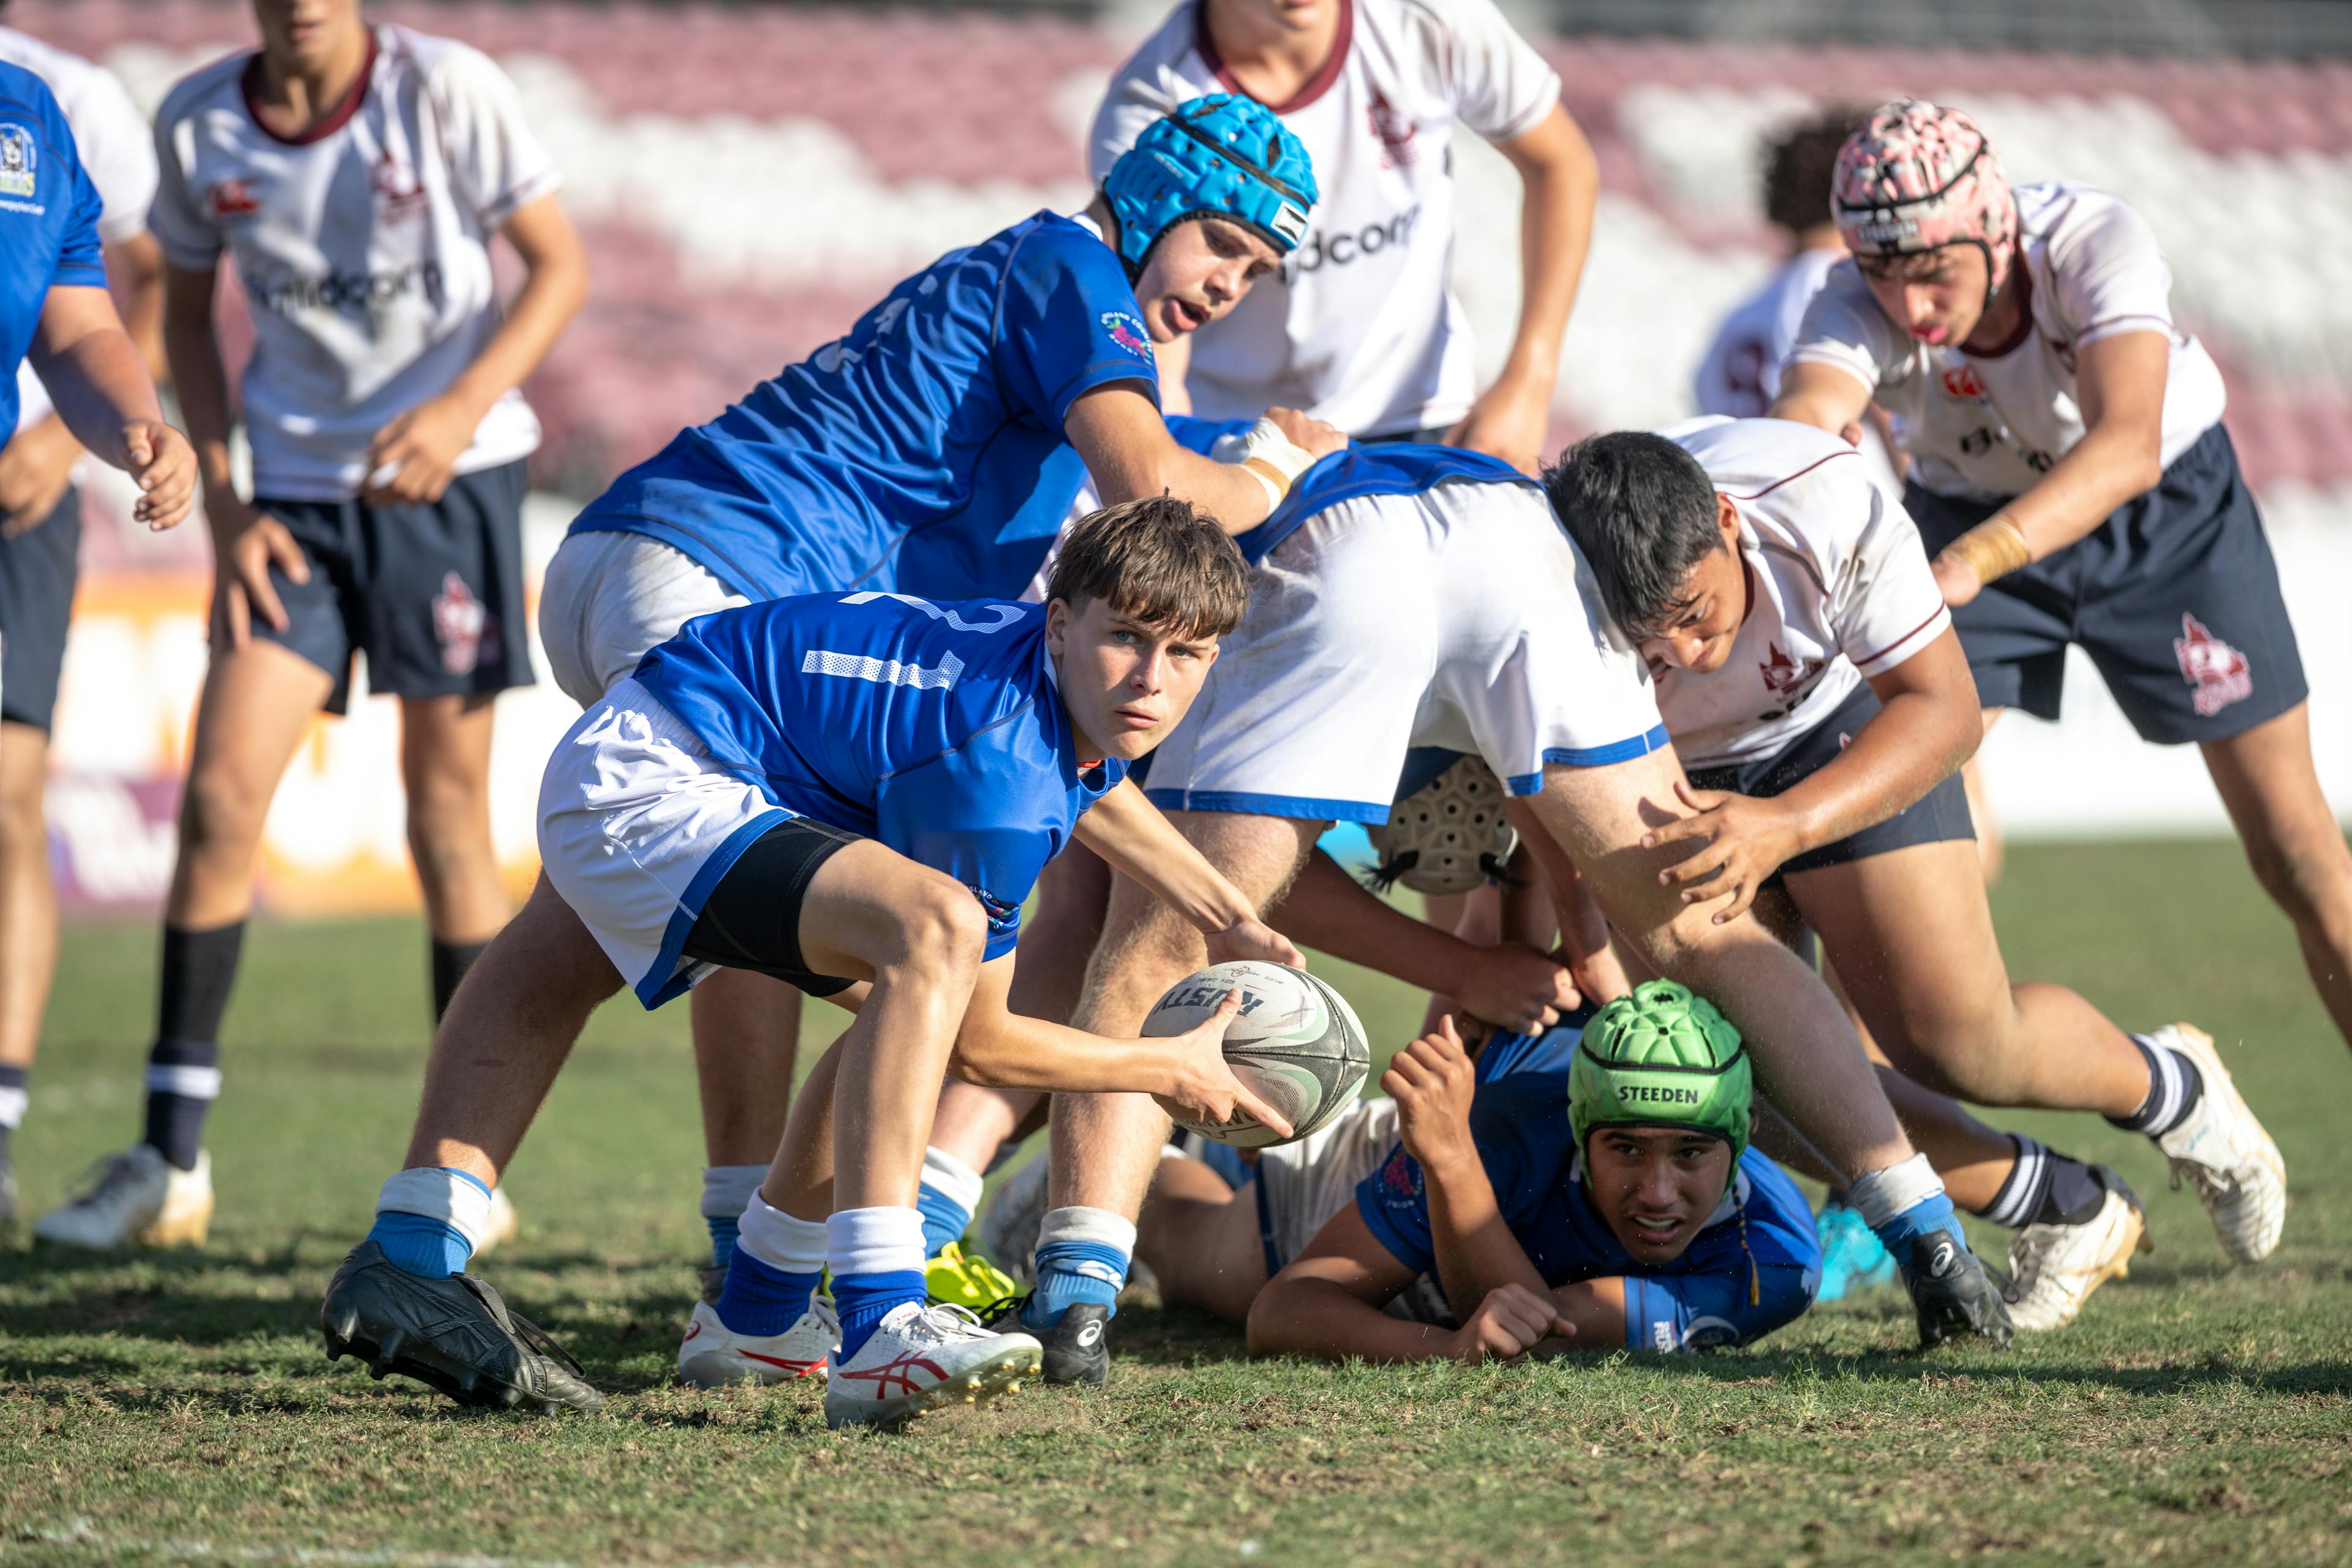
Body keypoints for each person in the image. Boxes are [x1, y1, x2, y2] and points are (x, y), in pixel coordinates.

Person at [504, 92, 1341, 1306]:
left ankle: (482, 1242)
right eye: (1225, 242)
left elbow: (1071, 771)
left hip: (658, 559)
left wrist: (1220, 905)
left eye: (1257, 272)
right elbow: (1152, 484)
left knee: (661, 930)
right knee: (919, 963)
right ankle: (845, 1282)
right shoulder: (1075, 271)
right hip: (730, 576)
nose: (1228, 288)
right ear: (1160, 193)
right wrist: (1277, 463)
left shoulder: (1041, 289)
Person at [948, 435, 2011, 1386]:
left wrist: (1514, 946)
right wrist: (1548, 942)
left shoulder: (1238, 492)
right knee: (1702, 930)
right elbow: (1549, 820)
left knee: (1155, 951)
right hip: (1529, 566)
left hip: (1342, 554)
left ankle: (1077, 1300)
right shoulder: (1597, 511)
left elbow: (1241, 886)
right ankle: (1928, 1236)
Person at [322, 497, 1315, 1429]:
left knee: (912, 996)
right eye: (1128, 640)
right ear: (1061, 626)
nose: (1152, 680)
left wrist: (1226, 912)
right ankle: (883, 1325)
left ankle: (755, 1314)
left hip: (678, 751)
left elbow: (1090, 782)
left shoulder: (1043, 680)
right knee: (935, 946)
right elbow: (990, 1045)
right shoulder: (997, 775)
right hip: (658, 781)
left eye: (1186, 655)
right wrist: (1166, 1068)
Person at [32, 0, 588, 1250]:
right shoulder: (199, 120)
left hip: (449, 483)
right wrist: (227, 507)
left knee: (446, 814)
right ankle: (169, 1158)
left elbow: (560, 268)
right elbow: (176, 312)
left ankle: (466, 1170)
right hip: (287, 501)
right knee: (223, 797)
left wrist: (456, 412)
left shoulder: (446, 88)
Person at [1548, 418, 2286, 1326]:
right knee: (1743, 1078)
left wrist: (1784, 825)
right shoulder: (1553, 575)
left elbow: (1945, 712)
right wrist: (1576, 923)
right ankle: (2055, 1201)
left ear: (1731, 522)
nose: (1690, 657)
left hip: (1839, 734)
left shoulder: (1824, 500)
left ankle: (2170, 1084)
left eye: (1699, 615)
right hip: (1670, 781)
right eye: (1651, 641)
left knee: (1955, 1042)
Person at [1771, 98, 2352, 1071]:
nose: (1911, 310)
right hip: (1968, 523)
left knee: (2296, 852)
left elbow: (2126, 446)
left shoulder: (2095, 240)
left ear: (1994, 228)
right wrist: (1804, 457)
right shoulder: (1850, 294)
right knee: (1874, 836)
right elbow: (1804, 423)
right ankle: (1872, 1192)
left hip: (2165, 517)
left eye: (1932, 273)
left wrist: (1971, 564)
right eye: (1883, 277)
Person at [1090, 0, 1599, 469]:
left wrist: (1530, 382)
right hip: (1252, 439)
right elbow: (1162, 349)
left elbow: (1563, 165)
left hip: (1422, 415)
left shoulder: (1428, 17)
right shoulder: (1152, 112)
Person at [1243, 983, 1818, 1360]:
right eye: (1627, 1150)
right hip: (1379, 1162)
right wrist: (1451, 1160)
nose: (1658, 1193)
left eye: (1691, 1153)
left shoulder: (1775, 1253)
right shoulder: (1500, 1134)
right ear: (1579, 1129)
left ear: (1740, 1142)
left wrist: (1468, 1342)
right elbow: (1279, 1311)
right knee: (1190, 1241)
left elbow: (1537, 1332)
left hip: (1451, 1175)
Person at [0, 6, 168, 1228]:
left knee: (8, 800)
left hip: (15, 506)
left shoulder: (36, 113)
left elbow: (80, 315)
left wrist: (128, 429)